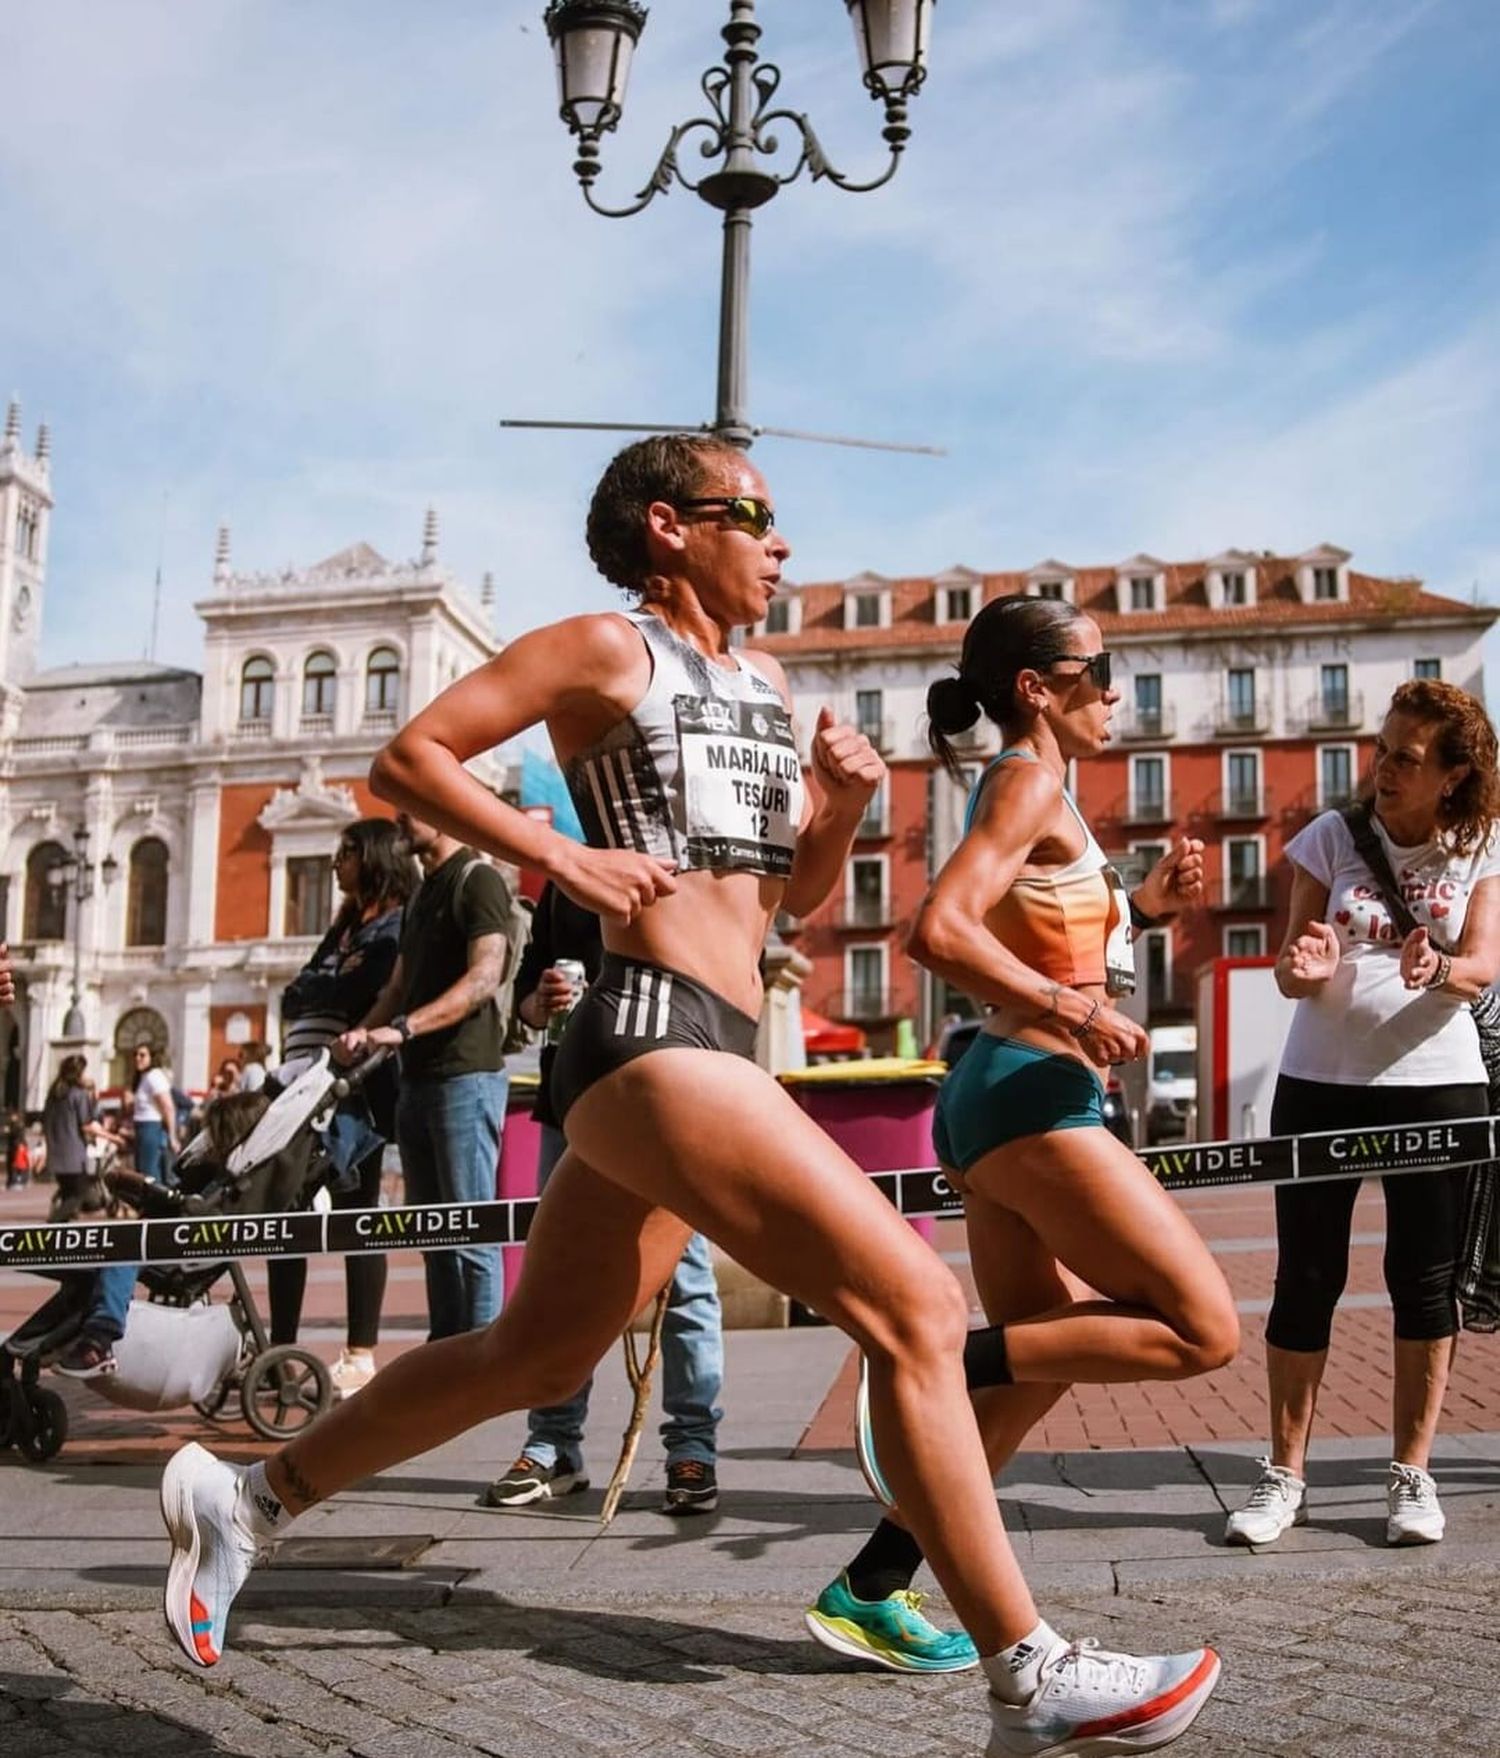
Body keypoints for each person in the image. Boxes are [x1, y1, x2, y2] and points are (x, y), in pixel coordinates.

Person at [157, 434, 1221, 1757]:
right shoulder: (607, 651)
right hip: (643, 1031)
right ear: (670, 526)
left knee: (537, 1354)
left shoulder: (767, 680)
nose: (781, 544)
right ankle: (1031, 1671)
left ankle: (248, 1502)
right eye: (755, 516)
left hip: (711, 1035)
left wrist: (841, 806)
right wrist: (561, 855)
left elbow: (789, 900)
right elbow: (412, 757)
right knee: (920, 1305)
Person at [803, 593, 1236, 1676]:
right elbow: (938, 930)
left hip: (1006, 1090)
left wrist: (1141, 906)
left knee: (1040, 1365)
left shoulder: (1047, 795)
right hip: (1031, 1086)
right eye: (1099, 672)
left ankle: (872, 1584)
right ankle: (927, 1365)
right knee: (1199, 1328)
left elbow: (1035, 925)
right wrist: (1077, 1009)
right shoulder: (1030, 776)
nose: (1115, 693)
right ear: (1036, 689)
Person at [1224, 679, 1500, 1550]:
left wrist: (1440, 970)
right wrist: (1305, 966)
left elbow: (1485, 966)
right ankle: (1284, 1474)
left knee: (1424, 1285)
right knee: (1307, 1278)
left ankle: (1411, 1474)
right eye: (1382, 749)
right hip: (1320, 1082)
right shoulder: (1329, 837)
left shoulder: (1484, 847)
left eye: (1407, 759)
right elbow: (1291, 968)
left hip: (1441, 1084)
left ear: (1452, 777)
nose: (1382, 768)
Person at [484, 881, 725, 1515]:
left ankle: (692, 1447)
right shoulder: (566, 883)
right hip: (572, 1100)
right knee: (559, 1276)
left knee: (685, 1276)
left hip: (666, 1096)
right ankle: (554, 1444)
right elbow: (526, 1004)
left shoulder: (685, 874)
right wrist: (539, 1001)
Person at [336, 812, 515, 1339]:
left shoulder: (476, 880)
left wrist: (405, 1029)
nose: (401, 822)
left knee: (471, 1232)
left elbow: (484, 977)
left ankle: (484, 1361)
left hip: (465, 1076)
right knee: (434, 1234)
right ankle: (448, 1353)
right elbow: (397, 987)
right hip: (416, 1082)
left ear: (444, 809)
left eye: (412, 809)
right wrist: (360, 1034)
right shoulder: (421, 894)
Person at [266, 817, 413, 1399]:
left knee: (360, 1212)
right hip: (300, 1083)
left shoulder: (395, 925)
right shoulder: (347, 926)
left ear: (372, 857)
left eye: (345, 853)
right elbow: (294, 994)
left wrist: (330, 990)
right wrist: (328, 987)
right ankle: (279, 1349)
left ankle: (360, 1351)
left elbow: (359, 994)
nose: (334, 864)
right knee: (284, 1210)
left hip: (357, 1090)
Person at [39, 1054, 132, 1377]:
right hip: (75, 1156)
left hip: (57, 1155)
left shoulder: (54, 1094)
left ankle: (57, 1236)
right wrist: (114, 1138)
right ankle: (51, 1230)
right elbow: (88, 1125)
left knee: (71, 1194)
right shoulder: (77, 1095)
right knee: (78, 1196)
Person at [129, 1042, 178, 1182]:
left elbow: (168, 1107)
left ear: (151, 1057)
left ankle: (156, 1203)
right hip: (141, 1128)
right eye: (136, 1055)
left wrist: (172, 1136)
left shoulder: (154, 1076)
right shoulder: (143, 1077)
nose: (138, 1058)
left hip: (151, 1128)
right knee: (142, 1173)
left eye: (142, 1055)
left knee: (149, 1174)